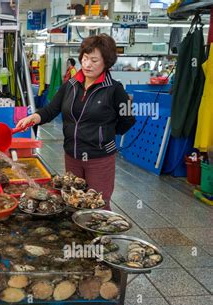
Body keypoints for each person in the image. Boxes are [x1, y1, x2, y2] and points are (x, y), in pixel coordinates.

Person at [16, 34, 135, 209]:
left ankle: (100, 237)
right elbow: (51, 110)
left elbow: (128, 120)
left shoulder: (115, 90)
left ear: (106, 63)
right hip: (71, 155)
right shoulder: (70, 85)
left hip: (99, 157)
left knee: (97, 205)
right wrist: (33, 118)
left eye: (94, 60)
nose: (87, 64)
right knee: (73, 202)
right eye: (85, 58)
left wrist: (104, 134)